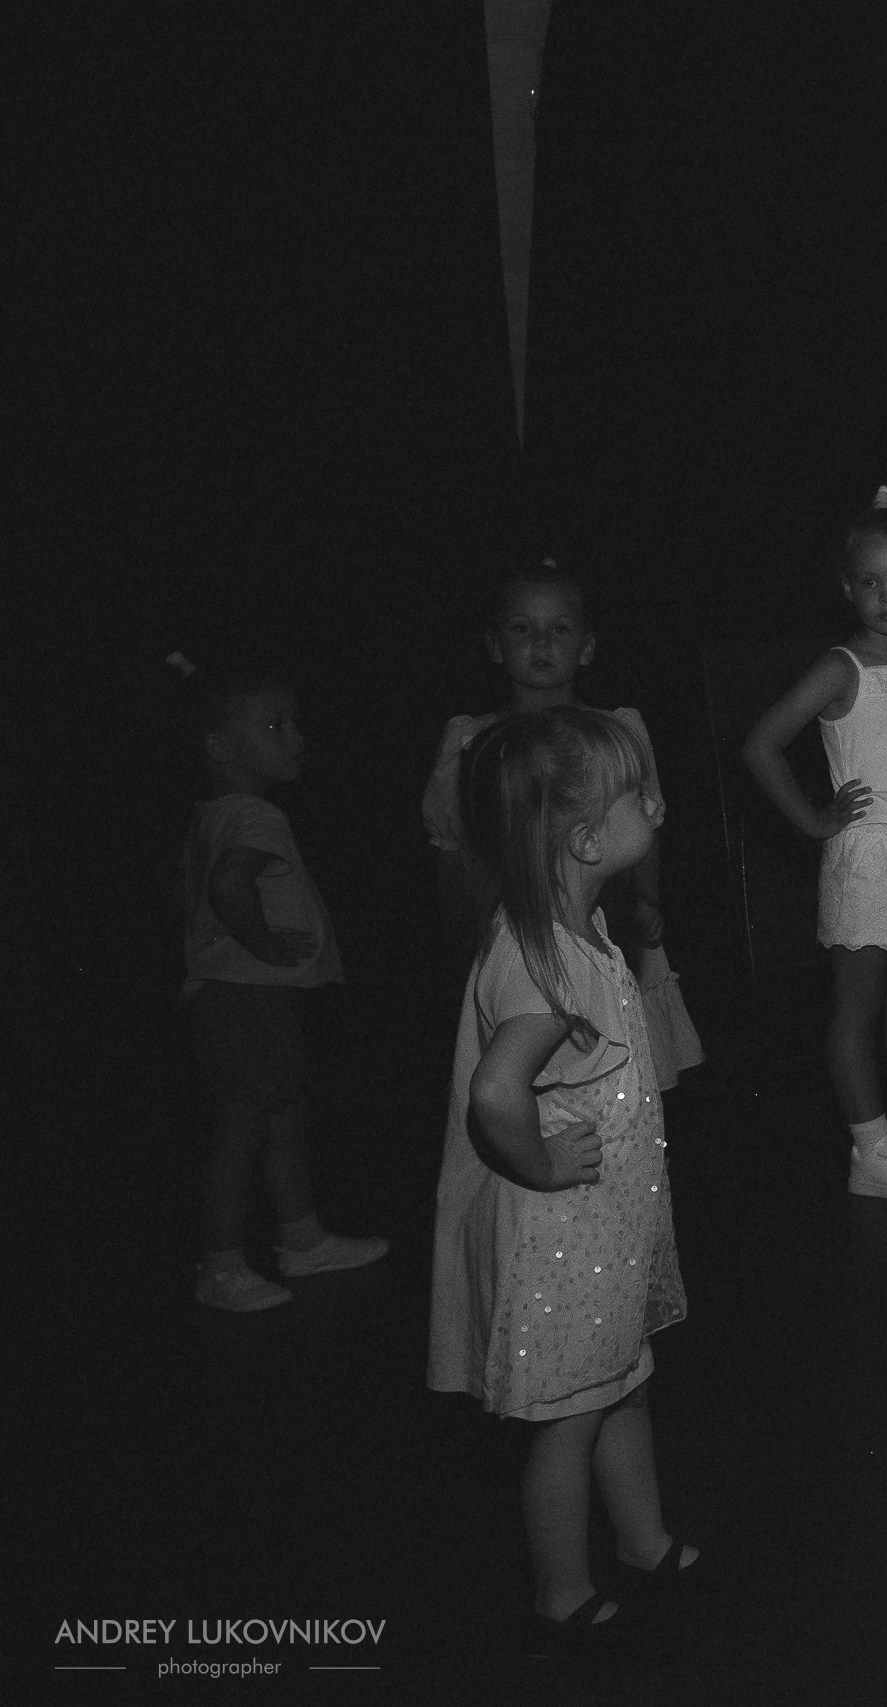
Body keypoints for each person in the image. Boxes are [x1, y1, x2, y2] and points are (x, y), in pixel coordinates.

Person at [426, 707, 699, 1643]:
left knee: (620, 1382)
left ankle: (644, 1535)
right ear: (586, 836)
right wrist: (541, 1162)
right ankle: (560, 1588)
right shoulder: (552, 965)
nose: (659, 805)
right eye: (640, 794)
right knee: (568, 1419)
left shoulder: (570, 931)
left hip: (602, 1235)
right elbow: (496, 1092)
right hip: (564, 1240)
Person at [741, 485, 887, 1198]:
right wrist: (814, 819)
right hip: (869, 854)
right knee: (858, 1007)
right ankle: (870, 1147)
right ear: (848, 587)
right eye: (870, 582)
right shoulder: (840, 666)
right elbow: (761, 744)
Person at [421, 564, 704, 1088]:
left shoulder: (616, 732)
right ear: (494, 645)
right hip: (514, 931)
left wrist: (647, 900)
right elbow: (454, 845)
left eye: (560, 629)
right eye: (522, 629)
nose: (541, 643)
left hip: (608, 921)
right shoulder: (473, 743)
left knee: (620, 1063)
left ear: (588, 646)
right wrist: (462, 933)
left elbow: (643, 827)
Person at [176, 660, 388, 1311]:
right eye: (275, 724)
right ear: (219, 747)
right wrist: (266, 945)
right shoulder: (252, 816)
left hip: (247, 997)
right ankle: (220, 1266)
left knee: (281, 1121)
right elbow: (230, 885)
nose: (295, 735)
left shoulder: (214, 813)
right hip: (245, 998)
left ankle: (301, 1238)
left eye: (293, 722)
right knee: (242, 1129)